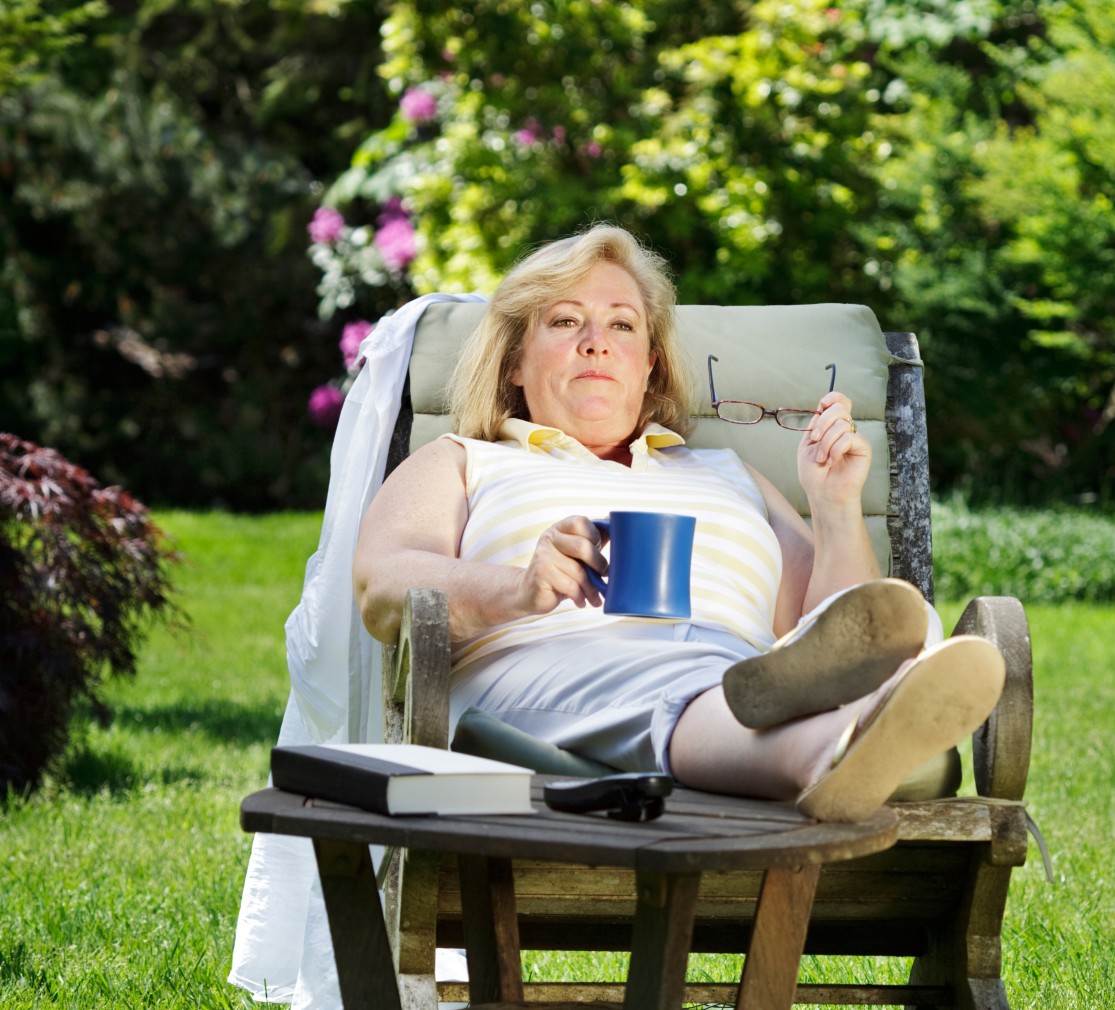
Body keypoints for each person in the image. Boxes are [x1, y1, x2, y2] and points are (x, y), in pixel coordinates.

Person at [350, 224, 1002, 818]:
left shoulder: (725, 471)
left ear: (649, 364)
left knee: (815, 653)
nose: (596, 342)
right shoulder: (468, 460)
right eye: (565, 320)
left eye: (623, 326)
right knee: (677, 680)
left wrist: (834, 508)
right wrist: (519, 587)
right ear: (516, 361)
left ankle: (850, 725)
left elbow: (831, 626)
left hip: (737, 675)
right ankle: (841, 743)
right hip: (547, 669)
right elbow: (381, 583)